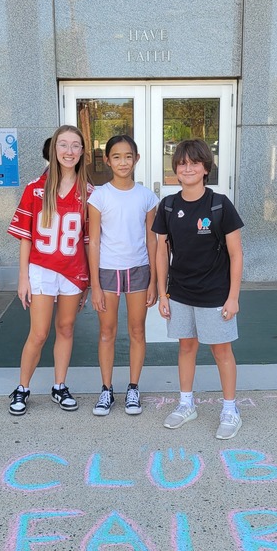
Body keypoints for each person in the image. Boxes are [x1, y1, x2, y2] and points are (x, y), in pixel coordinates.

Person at [152, 138, 245, 440]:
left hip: (215, 294)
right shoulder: (168, 205)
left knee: (221, 351)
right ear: (175, 170)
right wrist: (163, 292)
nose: (187, 168)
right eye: (182, 163)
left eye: (194, 163)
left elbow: (236, 254)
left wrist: (233, 297)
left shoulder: (219, 204)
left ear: (206, 168)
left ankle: (230, 409)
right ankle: (186, 404)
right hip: (179, 292)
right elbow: (161, 251)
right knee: (186, 347)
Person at [6, 125, 92, 415]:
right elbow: (25, 236)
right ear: (54, 149)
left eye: (75, 146)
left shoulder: (90, 193)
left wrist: (88, 282)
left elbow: (90, 240)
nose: (69, 151)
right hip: (42, 269)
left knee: (66, 328)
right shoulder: (35, 188)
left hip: (73, 270)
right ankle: (22, 387)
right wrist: (23, 277)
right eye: (63, 145)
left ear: (82, 152)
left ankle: (59, 385)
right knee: (39, 332)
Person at [86, 135, 159, 417]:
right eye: (116, 157)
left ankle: (133, 387)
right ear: (107, 161)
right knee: (107, 331)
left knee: (137, 330)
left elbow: (152, 240)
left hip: (139, 270)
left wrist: (153, 280)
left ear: (137, 159)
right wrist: (94, 284)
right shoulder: (100, 196)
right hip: (107, 272)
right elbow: (93, 241)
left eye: (128, 156)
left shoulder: (146, 196)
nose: (123, 162)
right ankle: (106, 389)